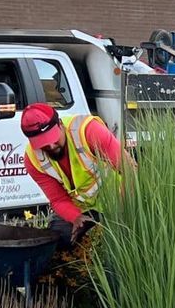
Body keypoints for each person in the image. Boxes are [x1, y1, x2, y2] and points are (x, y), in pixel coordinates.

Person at [21, 102, 122, 242]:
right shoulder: (33, 160)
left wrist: (126, 207)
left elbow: (130, 171)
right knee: (60, 238)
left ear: (60, 124)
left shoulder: (89, 131)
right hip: (83, 208)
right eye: (43, 143)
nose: (51, 146)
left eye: (53, 138)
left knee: (121, 239)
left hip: (118, 198)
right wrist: (76, 217)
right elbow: (58, 199)